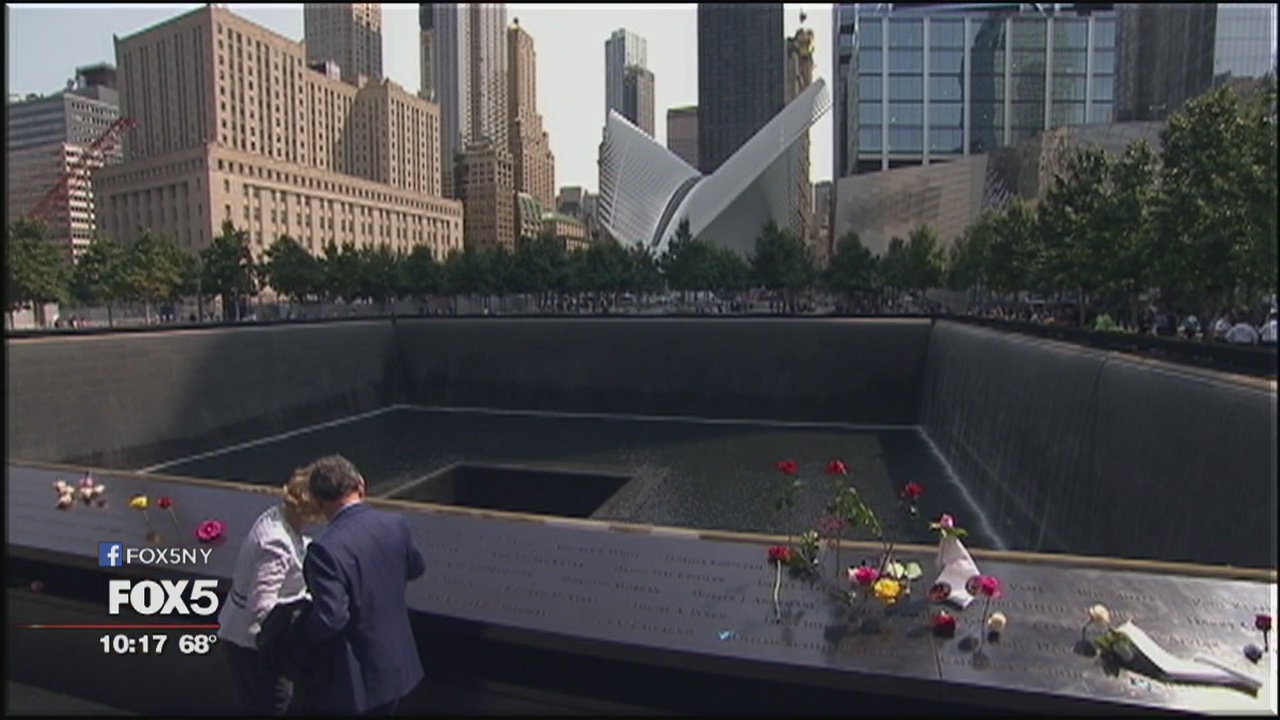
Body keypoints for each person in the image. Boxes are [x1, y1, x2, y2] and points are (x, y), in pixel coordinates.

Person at [301, 455, 426, 716]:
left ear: (318, 502)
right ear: (360, 485)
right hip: (397, 665)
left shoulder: (324, 549)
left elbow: (330, 619)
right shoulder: (396, 524)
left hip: (357, 679)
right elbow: (416, 568)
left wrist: (298, 636)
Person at [218, 466, 325, 715]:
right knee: (274, 706)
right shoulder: (275, 544)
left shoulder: (278, 516)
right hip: (251, 644)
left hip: (251, 637)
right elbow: (261, 608)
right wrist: (302, 619)